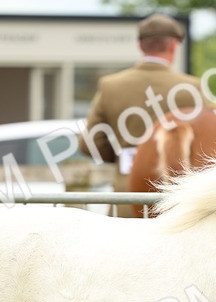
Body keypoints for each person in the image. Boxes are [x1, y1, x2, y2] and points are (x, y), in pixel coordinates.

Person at [80, 13, 204, 216]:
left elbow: (89, 143)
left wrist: (124, 155)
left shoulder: (111, 86)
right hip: (174, 201)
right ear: (173, 46)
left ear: (140, 46)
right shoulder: (191, 88)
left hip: (126, 198)